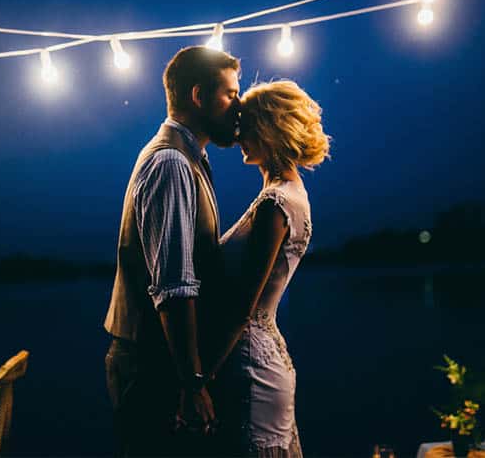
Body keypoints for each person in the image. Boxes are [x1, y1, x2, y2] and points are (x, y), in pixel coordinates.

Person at [103, 46, 241, 457]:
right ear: (198, 96)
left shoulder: (188, 158)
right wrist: (192, 382)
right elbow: (174, 288)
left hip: (159, 363)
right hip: (152, 367)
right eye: (230, 94)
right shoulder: (172, 163)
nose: (239, 107)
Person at [201, 80, 331, 458]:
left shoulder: (275, 204)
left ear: (271, 130)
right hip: (260, 358)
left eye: (248, 125)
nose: (238, 134)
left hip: (251, 369)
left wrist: (198, 379)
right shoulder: (288, 193)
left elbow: (243, 306)